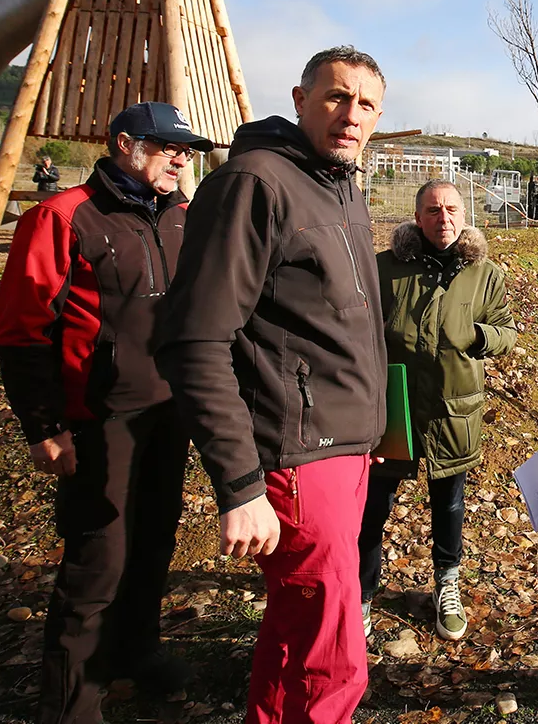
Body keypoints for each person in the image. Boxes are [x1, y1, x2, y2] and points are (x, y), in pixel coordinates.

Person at [154, 45, 387, 724]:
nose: (351, 115)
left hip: (340, 448)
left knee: (296, 633)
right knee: (330, 652)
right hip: (295, 456)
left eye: (366, 104)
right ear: (299, 99)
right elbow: (195, 339)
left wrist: (367, 429)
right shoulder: (257, 182)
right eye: (336, 97)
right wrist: (241, 485)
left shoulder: (338, 185)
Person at [0, 101, 213, 724]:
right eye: (168, 146)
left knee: (154, 545)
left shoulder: (182, 218)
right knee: (97, 562)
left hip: (170, 415)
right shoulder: (61, 218)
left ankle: (134, 652)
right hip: (98, 420)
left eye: (186, 149)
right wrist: (45, 426)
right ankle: (69, 705)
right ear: (123, 144)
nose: (181, 158)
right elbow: (20, 331)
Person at [358, 179, 518, 641]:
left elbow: (506, 332)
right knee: (374, 506)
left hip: (455, 410)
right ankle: (362, 592)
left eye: (450, 208)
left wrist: (479, 336)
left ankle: (447, 581)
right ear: (417, 217)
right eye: (432, 210)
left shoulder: (486, 274)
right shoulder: (385, 268)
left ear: (464, 216)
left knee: (448, 502)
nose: (442, 217)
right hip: (395, 409)